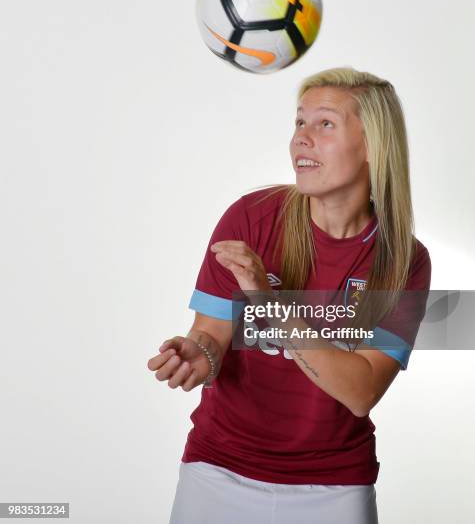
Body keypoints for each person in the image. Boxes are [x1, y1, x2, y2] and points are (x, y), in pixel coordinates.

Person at [147, 67, 432, 524]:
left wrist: (268, 301)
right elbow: (212, 335)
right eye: (299, 122)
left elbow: (360, 392)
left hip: (335, 487)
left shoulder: (403, 261)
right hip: (218, 470)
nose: (302, 138)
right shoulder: (251, 217)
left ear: (373, 147)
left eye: (324, 123)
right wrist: (198, 354)